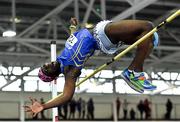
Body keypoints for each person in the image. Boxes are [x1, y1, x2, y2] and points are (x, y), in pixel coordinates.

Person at [24, 17, 159, 116]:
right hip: (101, 34)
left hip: (103, 35)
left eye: (45, 65)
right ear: (53, 76)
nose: (48, 64)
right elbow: (66, 95)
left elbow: (74, 40)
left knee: (151, 40)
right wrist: (44, 106)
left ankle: (134, 70)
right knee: (147, 26)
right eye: (47, 68)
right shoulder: (69, 70)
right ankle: (133, 71)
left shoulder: (61, 57)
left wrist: (73, 28)